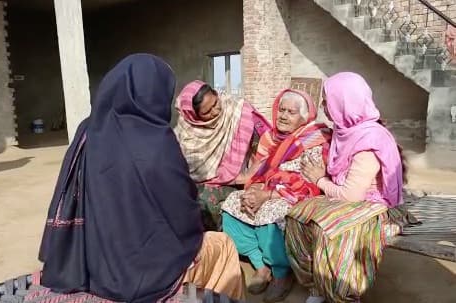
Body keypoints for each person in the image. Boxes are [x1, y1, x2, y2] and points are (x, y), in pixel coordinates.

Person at [38, 54, 244, 303]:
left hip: (88, 260)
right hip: (146, 273)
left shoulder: (87, 131)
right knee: (222, 246)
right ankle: (193, 297)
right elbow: (182, 211)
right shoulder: (156, 140)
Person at [286, 72, 415, 303]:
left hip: (374, 206)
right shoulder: (344, 130)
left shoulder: (368, 139)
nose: (324, 105)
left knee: (332, 230)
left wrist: (319, 180)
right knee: (297, 218)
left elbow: (351, 195)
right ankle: (318, 283)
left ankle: (343, 293)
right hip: (347, 197)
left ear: (344, 103)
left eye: (328, 100)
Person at [220, 89, 331, 302]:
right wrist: (254, 191)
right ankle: (260, 265)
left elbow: (310, 184)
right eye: (281, 109)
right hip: (269, 190)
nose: (283, 116)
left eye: (291, 112)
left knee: (270, 211)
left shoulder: (315, 139)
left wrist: (268, 194)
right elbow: (258, 172)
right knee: (232, 203)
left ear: (304, 117)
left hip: (296, 197)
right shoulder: (270, 138)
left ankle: (281, 273)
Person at [174, 81, 271, 230]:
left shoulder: (238, 112)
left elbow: (267, 144)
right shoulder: (185, 133)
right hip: (206, 186)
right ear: (194, 116)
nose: (216, 111)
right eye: (207, 112)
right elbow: (185, 171)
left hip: (247, 181)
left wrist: (251, 176)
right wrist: (239, 176)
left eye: (215, 103)